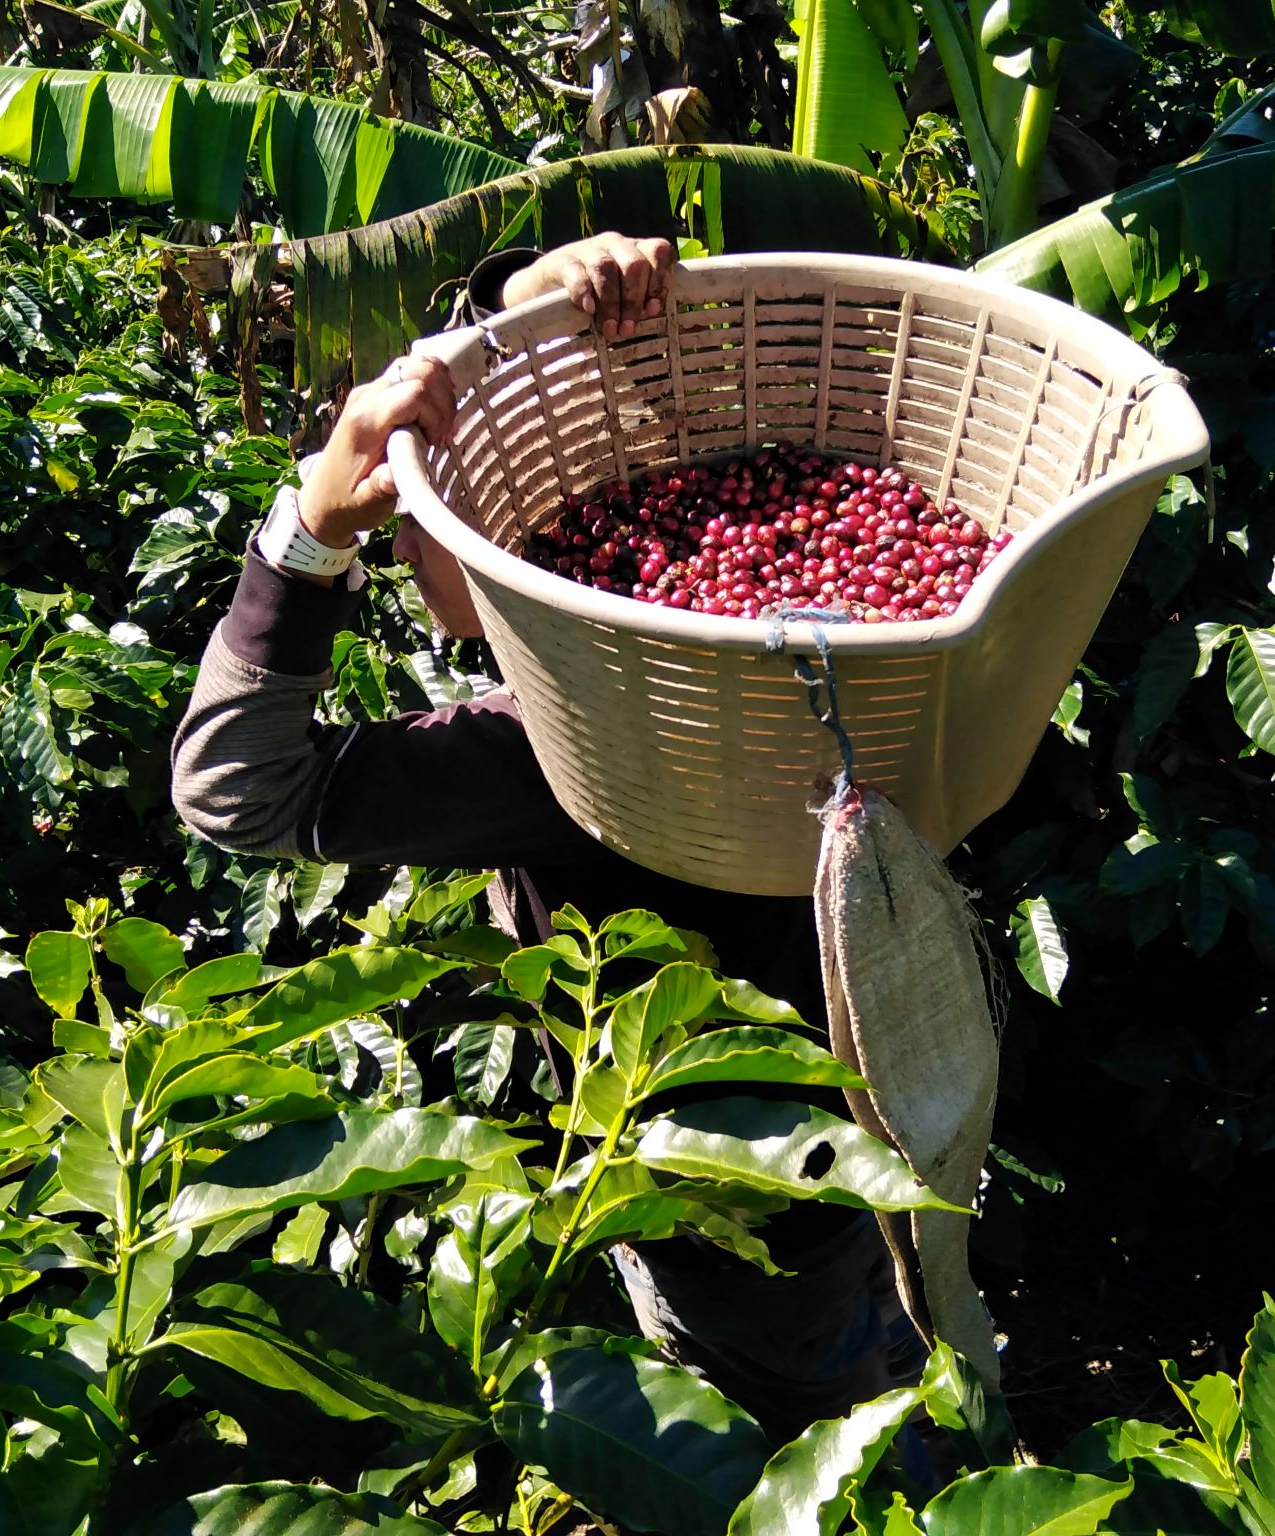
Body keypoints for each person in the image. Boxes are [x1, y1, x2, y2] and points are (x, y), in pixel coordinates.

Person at [171, 233, 925, 1448]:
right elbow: (702, 436)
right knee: (884, 1324)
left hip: (724, 1203)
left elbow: (234, 790)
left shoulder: (562, 748)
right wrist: (527, 308)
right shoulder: (840, 675)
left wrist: (307, 538)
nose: (405, 545)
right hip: (885, 1103)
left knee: (793, 1423)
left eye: (414, 523)